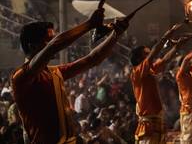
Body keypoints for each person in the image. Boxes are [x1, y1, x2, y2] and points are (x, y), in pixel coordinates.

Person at [11, 9, 129, 144]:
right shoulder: (20, 77)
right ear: (32, 46)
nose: (53, 42)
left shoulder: (55, 72)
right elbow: (53, 47)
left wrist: (115, 35)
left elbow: (93, 59)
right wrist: (89, 25)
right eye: (48, 40)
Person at [129, 24, 185, 144]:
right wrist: (167, 35)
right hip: (149, 123)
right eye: (146, 54)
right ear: (139, 59)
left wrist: (177, 47)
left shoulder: (150, 70)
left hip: (156, 120)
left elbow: (165, 60)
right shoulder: (137, 73)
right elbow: (153, 54)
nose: (149, 56)